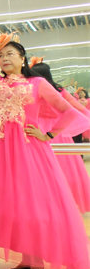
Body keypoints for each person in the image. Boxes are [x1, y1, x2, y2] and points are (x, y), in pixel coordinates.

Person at [0, 1, 90, 269]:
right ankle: (25, 257)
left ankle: (36, 260)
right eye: (1, 55)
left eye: (10, 54)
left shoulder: (38, 84)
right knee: (9, 204)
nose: (4, 59)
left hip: (27, 149)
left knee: (30, 204)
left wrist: (48, 134)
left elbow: (67, 111)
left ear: (22, 58)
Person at [30, 61, 90, 214]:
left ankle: (46, 205)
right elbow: (79, 109)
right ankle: (62, 205)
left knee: (40, 170)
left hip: (38, 130)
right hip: (57, 131)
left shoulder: (32, 89)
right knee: (64, 170)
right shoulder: (60, 91)